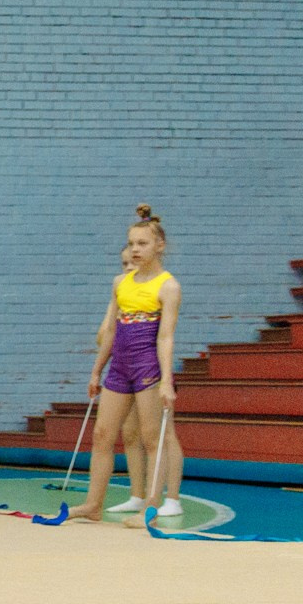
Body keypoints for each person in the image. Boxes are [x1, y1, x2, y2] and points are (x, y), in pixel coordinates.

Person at [74, 206, 182, 521]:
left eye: (142, 244)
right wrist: (96, 370)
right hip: (119, 367)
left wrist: (165, 380)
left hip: (147, 367)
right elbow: (110, 330)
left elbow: (165, 338)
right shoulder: (120, 283)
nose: (135, 250)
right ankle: (93, 504)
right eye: (132, 243)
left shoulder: (168, 286)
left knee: (152, 438)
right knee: (103, 434)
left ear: (160, 246)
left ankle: (150, 505)